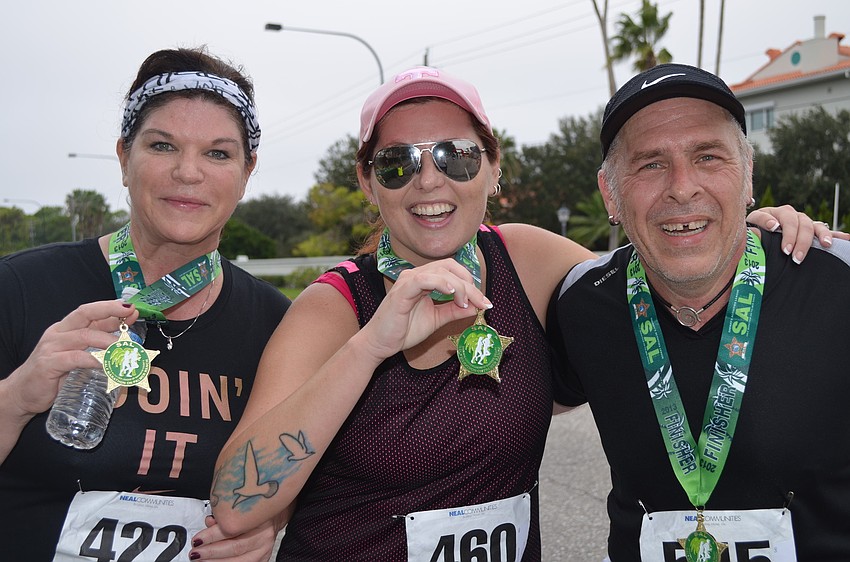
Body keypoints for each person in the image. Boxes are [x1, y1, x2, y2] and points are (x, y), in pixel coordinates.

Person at [208, 66, 835, 561]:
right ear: (369, 183)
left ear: (493, 166)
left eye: (455, 155)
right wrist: (370, 346)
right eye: (397, 164)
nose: (429, 181)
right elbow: (236, 505)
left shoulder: (530, 262)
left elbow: (666, 255)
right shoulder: (334, 307)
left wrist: (758, 233)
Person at [548, 63, 850, 561]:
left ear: (748, 173)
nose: (682, 187)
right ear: (610, 194)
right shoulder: (583, 302)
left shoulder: (836, 283)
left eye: (708, 156)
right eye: (650, 164)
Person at [0, 47, 290, 561]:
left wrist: (268, 529)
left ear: (247, 174)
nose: (188, 172)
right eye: (162, 146)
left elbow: (293, 479)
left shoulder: (278, 324)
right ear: (123, 158)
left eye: (218, 154)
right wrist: (18, 396)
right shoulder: (19, 287)